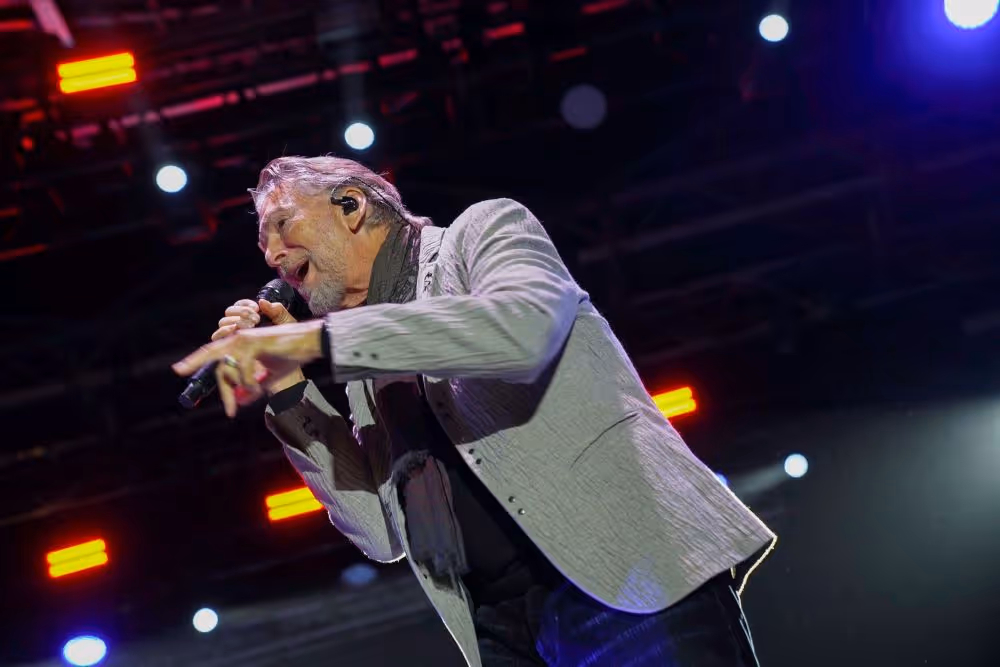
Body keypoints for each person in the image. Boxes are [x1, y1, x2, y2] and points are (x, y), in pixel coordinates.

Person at [173, 156, 776, 666]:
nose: (274, 255)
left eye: (281, 225)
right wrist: (288, 389)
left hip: (628, 582)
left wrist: (314, 340)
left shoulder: (481, 233)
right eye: (263, 244)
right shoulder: (365, 368)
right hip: (503, 631)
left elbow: (524, 330)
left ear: (352, 205)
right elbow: (381, 533)